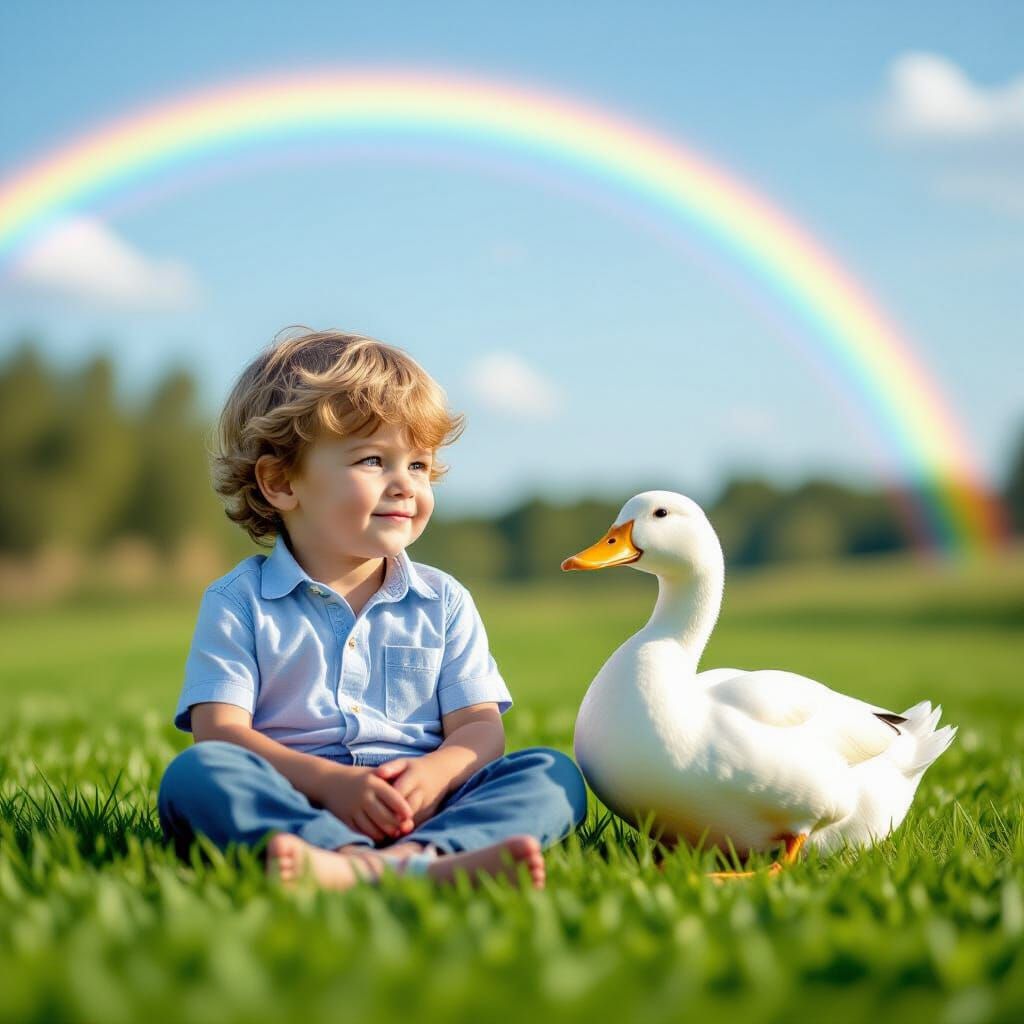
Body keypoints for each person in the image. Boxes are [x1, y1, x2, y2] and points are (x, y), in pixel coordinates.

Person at [157, 327, 588, 891]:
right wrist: (331, 785)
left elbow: (480, 730)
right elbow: (219, 732)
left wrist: (434, 774)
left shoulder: (444, 601)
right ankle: (374, 860)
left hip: (424, 805)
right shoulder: (240, 602)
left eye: (419, 465)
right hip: (298, 800)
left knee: (553, 775)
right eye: (372, 460)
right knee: (196, 776)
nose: (405, 485)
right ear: (281, 481)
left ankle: (412, 856)